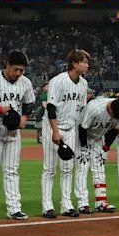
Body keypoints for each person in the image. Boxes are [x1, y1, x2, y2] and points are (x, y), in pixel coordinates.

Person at [0, 50, 35, 222]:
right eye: (16, 69)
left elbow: (29, 102)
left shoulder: (25, 82)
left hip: (13, 130)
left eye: (22, 70)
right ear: (7, 65)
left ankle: (14, 208)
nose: (18, 73)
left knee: (12, 170)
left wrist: (24, 117)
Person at [41, 49, 90, 218]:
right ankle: (47, 205)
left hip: (71, 127)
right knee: (50, 168)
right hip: (52, 126)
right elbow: (51, 107)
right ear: (74, 63)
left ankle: (66, 204)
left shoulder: (83, 83)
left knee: (68, 168)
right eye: (84, 62)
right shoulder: (58, 81)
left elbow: (82, 109)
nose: (87, 65)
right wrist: (55, 131)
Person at [76, 97, 119, 213]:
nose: (115, 119)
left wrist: (106, 146)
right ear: (110, 109)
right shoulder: (95, 108)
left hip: (97, 138)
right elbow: (82, 128)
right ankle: (83, 203)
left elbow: (115, 130)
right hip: (80, 136)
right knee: (82, 168)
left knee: (99, 169)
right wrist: (84, 147)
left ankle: (101, 202)